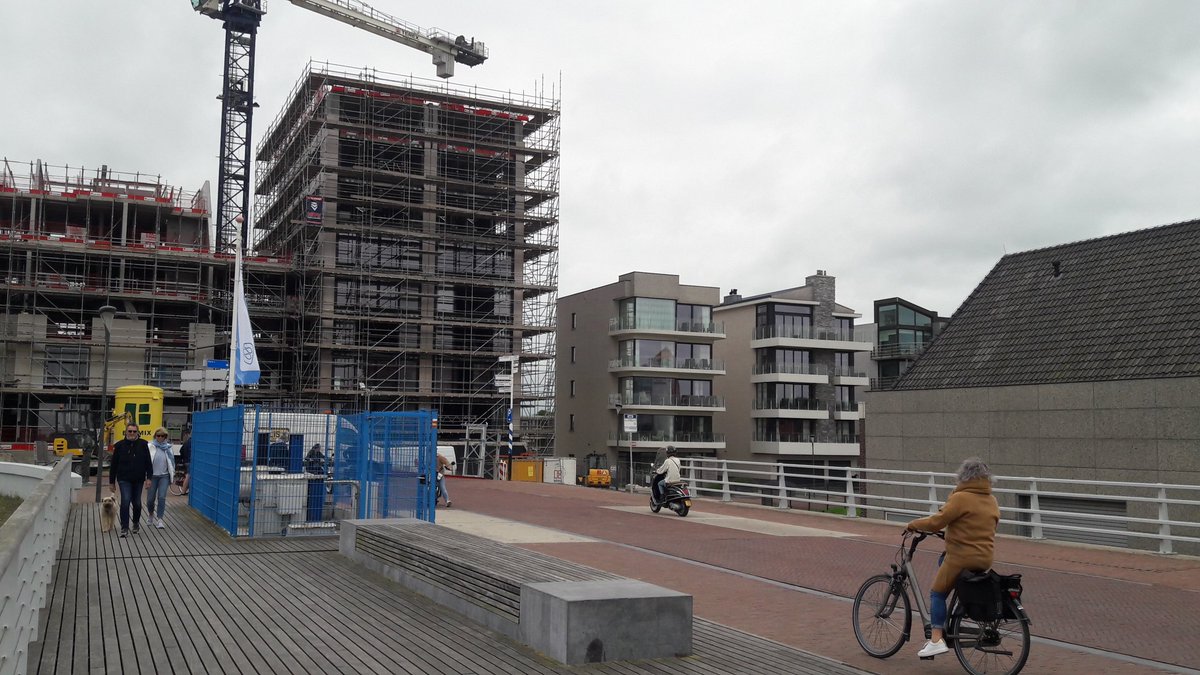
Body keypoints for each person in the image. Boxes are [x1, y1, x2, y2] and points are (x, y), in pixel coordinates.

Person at [905, 457, 1000, 658]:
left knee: (937, 593)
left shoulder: (960, 498)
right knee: (943, 560)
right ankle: (957, 608)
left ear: (964, 476)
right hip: (985, 558)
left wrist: (913, 524)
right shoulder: (992, 500)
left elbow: (937, 522)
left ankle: (936, 639)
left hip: (962, 557)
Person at [109, 423, 152, 538]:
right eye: (130, 431)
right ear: (126, 432)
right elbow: (114, 465)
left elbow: (148, 463)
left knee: (137, 503)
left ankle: (136, 523)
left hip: (138, 478)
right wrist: (111, 482)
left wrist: (149, 478)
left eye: (134, 431)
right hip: (124, 478)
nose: (132, 433)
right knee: (125, 501)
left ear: (137, 432)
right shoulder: (119, 446)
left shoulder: (143, 444)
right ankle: (124, 527)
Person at [145, 427, 176, 529]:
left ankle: (160, 519)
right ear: (155, 436)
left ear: (165, 437)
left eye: (162, 436)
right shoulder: (150, 446)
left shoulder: (168, 448)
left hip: (164, 476)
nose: (160, 437)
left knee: (162, 497)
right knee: (150, 499)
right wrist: (146, 476)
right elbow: (145, 461)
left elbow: (172, 462)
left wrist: (172, 474)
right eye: (158, 435)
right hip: (152, 476)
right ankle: (150, 514)